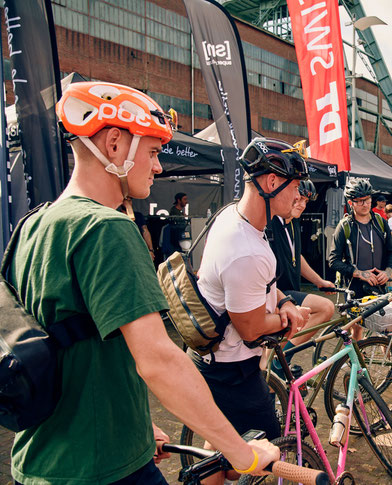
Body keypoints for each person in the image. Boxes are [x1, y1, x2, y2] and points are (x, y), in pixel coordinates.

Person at [5, 82, 278, 485]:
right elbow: (159, 360)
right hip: (103, 471)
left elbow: (72, 347)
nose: (158, 167)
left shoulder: (33, 224)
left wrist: (133, 425)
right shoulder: (106, 228)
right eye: (152, 152)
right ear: (114, 144)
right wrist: (240, 452)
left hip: (44, 459)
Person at [194, 137, 312, 483]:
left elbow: (263, 286)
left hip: (213, 359)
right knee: (266, 451)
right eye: (295, 187)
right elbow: (249, 328)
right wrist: (289, 318)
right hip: (232, 370)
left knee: (218, 438)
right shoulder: (245, 247)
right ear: (272, 182)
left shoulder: (239, 218)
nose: (298, 194)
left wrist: (285, 301)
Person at [267, 179, 336, 364]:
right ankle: (281, 359)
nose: (302, 205)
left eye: (306, 201)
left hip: (289, 292)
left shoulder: (293, 223)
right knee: (326, 308)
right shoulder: (271, 222)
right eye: (298, 199)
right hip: (276, 294)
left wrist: (319, 281)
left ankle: (280, 361)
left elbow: (297, 256)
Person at [328, 179, 392, 299]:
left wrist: (388, 271)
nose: (365, 204)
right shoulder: (345, 226)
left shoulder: (380, 222)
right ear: (351, 203)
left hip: (379, 288)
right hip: (354, 291)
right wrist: (359, 274)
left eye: (367, 199)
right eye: (360, 201)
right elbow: (333, 261)